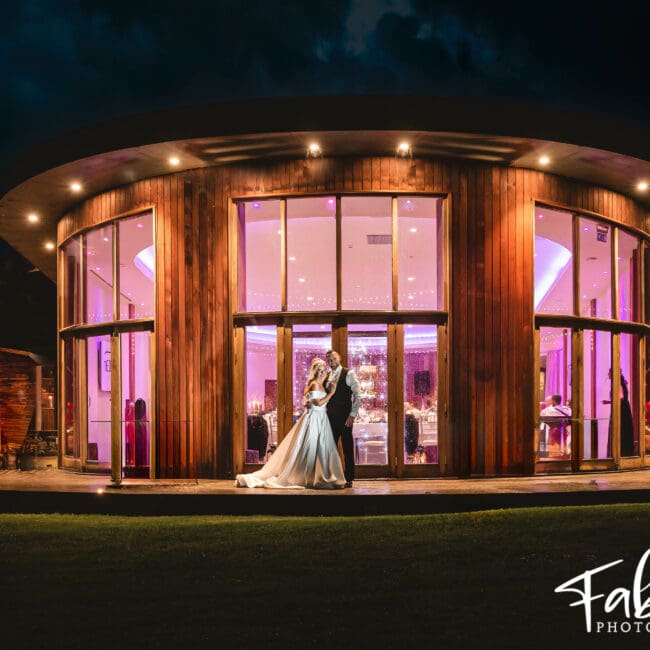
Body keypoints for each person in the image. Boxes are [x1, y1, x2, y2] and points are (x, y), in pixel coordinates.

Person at [235, 358, 345, 489]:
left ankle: (319, 475)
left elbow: (311, 401)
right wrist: (331, 393)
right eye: (318, 371)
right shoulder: (314, 384)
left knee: (322, 449)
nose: (321, 373)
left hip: (322, 419)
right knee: (310, 448)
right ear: (314, 372)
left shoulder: (323, 384)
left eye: (323, 371)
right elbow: (318, 403)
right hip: (314, 418)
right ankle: (308, 476)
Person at [325, 349, 361, 488]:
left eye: (333, 357)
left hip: (345, 417)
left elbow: (358, 396)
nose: (331, 360)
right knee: (330, 449)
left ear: (339, 357)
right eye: (328, 358)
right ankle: (333, 477)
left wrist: (352, 415)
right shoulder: (327, 375)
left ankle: (349, 478)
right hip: (330, 417)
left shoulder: (349, 373)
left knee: (347, 448)